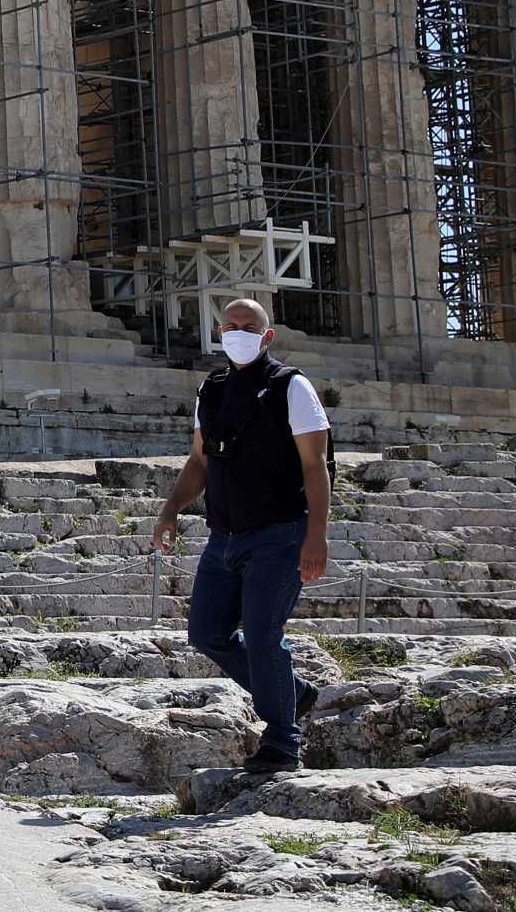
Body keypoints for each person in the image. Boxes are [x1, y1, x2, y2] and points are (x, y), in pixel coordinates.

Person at [149, 297, 332, 774]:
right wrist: (170, 510)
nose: (237, 332)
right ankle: (292, 692)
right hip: (224, 536)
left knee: (264, 634)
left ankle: (282, 742)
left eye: (247, 326)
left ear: (266, 335)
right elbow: (200, 461)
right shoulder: (210, 390)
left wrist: (317, 536)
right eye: (230, 325)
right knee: (206, 632)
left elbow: (316, 467)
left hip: (279, 534)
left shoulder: (291, 387)